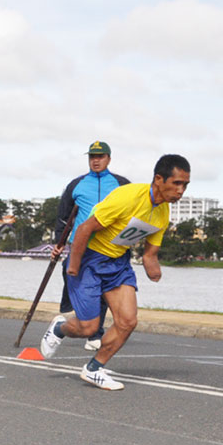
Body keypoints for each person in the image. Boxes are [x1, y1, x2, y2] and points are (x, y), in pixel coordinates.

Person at [40, 154, 191, 391]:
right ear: (159, 179)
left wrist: (153, 266)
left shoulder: (162, 212)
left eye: (185, 185)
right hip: (89, 259)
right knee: (88, 328)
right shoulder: (127, 197)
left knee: (127, 321)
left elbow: (150, 253)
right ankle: (60, 328)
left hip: (118, 263)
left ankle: (94, 369)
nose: (181, 190)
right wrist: (74, 265)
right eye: (177, 183)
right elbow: (83, 228)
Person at [52, 141, 130, 351]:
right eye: (92, 157)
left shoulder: (122, 184)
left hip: (111, 246)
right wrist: (59, 242)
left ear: (109, 159)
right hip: (81, 246)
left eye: (100, 156)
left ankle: (95, 332)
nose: (96, 161)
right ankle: (74, 318)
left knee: (104, 288)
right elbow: (63, 216)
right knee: (73, 278)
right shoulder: (76, 184)